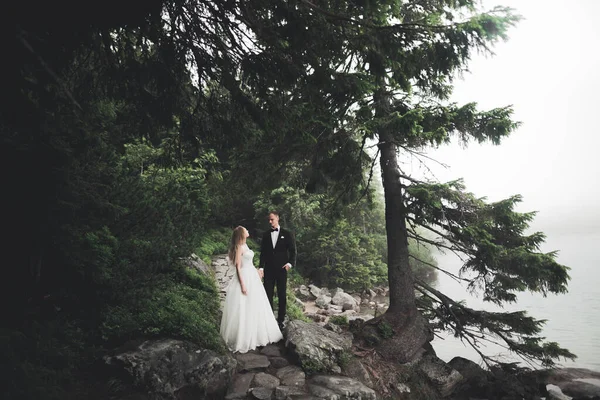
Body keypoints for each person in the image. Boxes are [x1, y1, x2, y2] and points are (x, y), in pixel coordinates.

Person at [220, 226, 283, 353]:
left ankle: (256, 332)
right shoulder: (239, 247)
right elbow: (238, 267)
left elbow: (248, 263)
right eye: (246, 230)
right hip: (244, 277)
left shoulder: (246, 245)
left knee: (255, 304)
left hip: (252, 276)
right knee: (243, 306)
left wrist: (257, 272)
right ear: (242, 234)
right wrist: (242, 284)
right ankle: (243, 337)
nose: (248, 231)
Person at [258, 211, 297, 331]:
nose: (270, 222)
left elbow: (293, 250)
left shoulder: (287, 233)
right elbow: (263, 252)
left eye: (272, 219)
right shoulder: (265, 235)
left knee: (282, 294)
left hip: (281, 270)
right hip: (268, 269)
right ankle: (268, 320)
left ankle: (280, 320)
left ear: (277, 219)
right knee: (267, 295)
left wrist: (290, 264)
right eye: (269, 220)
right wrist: (261, 267)